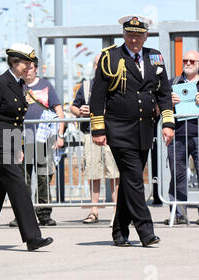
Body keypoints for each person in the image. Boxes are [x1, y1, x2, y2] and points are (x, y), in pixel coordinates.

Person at [90, 15, 175, 247]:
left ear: (146, 36)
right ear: (123, 35)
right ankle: (146, 231)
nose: (134, 40)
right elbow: (97, 96)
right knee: (135, 178)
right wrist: (98, 129)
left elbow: (164, 93)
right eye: (130, 35)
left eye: (139, 35)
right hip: (118, 128)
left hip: (144, 128)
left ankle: (119, 232)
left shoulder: (155, 56)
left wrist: (167, 124)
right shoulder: (110, 57)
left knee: (130, 180)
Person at [0, 43, 53, 251]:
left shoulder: (18, 84)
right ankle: (32, 237)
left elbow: (16, 121)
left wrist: (19, 147)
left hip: (11, 143)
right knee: (20, 189)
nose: (29, 67)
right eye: (26, 63)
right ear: (15, 62)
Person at [9, 57, 64, 227]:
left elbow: (58, 110)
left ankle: (44, 214)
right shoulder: (16, 86)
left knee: (43, 177)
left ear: (36, 69)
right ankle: (22, 215)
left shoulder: (46, 86)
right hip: (22, 140)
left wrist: (60, 134)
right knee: (21, 179)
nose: (27, 70)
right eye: (24, 67)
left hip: (43, 139)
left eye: (30, 67)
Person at [165, 50, 199, 225]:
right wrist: (169, 104)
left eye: (192, 61)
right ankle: (179, 215)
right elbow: (159, 109)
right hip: (177, 135)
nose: (188, 63)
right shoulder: (172, 83)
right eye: (185, 60)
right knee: (177, 175)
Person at [71, 54, 120, 224]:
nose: (101, 66)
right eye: (99, 64)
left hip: (112, 134)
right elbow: (73, 107)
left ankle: (117, 212)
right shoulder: (85, 86)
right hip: (90, 134)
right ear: (94, 66)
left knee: (114, 173)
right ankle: (94, 211)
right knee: (93, 173)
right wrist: (80, 112)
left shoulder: (117, 85)